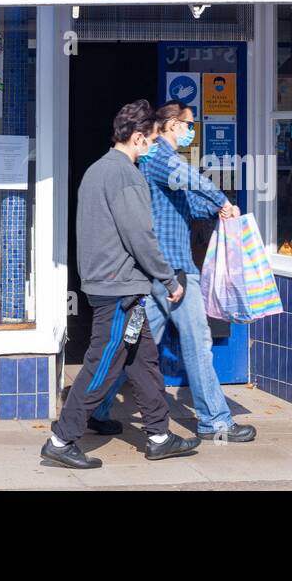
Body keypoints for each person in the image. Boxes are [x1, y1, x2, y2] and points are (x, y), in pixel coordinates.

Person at [41, 100, 199, 470]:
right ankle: (62, 439)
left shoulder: (97, 170)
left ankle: (159, 436)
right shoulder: (126, 176)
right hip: (119, 289)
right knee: (102, 362)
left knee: (143, 361)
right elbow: (139, 236)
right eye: (152, 140)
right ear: (139, 137)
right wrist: (166, 278)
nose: (153, 148)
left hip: (112, 283)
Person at [89, 101, 258, 442]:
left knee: (131, 344)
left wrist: (215, 211)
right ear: (170, 125)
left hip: (159, 273)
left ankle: (96, 407)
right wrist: (222, 201)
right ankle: (216, 421)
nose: (191, 131)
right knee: (198, 344)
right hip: (174, 272)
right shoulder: (160, 157)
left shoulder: (158, 163)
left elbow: (185, 202)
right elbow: (191, 180)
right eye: (188, 124)